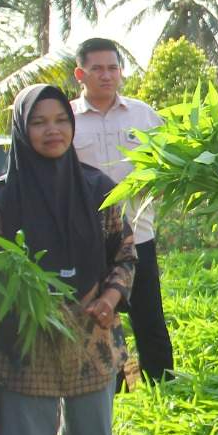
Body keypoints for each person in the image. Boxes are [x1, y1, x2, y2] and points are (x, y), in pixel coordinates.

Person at [0, 84, 135, 435]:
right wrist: (31, 306)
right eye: (40, 122)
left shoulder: (98, 188)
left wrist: (109, 297)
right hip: (26, 351)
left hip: (90, 345)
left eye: (61, 120)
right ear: (22, 131)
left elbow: (125, 253)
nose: (53, 130)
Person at [70, 37, 174, 383]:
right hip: (88, 243)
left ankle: (163, 391)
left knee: (149, 320)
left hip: (139, 236)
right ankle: (107, 391)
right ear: (80, 74)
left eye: (112, 68)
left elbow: (168, 169)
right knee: (96, 319)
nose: (106, 75)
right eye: (97, 69)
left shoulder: (143, 115)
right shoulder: (67, 120)